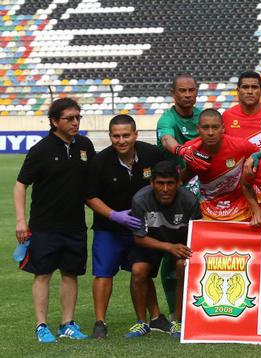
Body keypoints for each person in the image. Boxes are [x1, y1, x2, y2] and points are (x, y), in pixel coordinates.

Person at [14, 98, 95, 343]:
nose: (75, 122)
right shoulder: (41, 150)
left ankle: (67, 324)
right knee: (43, 274)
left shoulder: (85, 145)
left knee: (71, 274)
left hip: (75, 226)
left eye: (78, 117)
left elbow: (93, 183)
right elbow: (20, 185)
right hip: (44, 225)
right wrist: (21, 220)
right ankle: (41, 325)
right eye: (69, 118)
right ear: (54, 121)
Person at [85, 114, 169, 339]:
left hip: (142, 228)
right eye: (116, 136)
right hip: (109, 228)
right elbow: (90, 196)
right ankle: (100, 322)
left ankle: (156, 318)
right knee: (103, 274)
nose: (121, 141)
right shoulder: (99, 161)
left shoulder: (152, 154)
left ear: (135, 135)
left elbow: (166, 183)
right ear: (110, 137)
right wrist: (114, 215)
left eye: (126, 135)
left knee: (142, 272)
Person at [155, 73, 208, 318]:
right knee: (173, 254)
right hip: (175, 195)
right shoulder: (168, 119)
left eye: (191, 91)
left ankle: (203, 305)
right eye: (182, 91)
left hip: (208, 193)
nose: (188, 95)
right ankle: (176, 313)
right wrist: (180, 150)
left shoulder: (204, 117)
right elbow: (166, 138)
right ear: (173, 94)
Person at [128, 161, 202, 338]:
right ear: (151, 183)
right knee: (138, 270)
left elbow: (196, 234)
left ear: (178, 183)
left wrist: (178, 248)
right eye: (160, 183)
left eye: (170, 183)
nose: (165, 188)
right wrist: (168, 246)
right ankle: (141, 323)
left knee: (182, 267)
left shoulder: (189, 200)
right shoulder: (140, 199)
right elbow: (139, 237)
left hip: (180, 241)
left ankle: (177, 321)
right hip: (151, 240)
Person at [183, 109, 260, 221]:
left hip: (240, 207)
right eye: (205, 128)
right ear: (198, 129)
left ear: (223, 128)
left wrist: (254, 158)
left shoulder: (240, 145)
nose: (210, 133)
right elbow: (185, 177)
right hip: (206, 208)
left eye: (215, 127)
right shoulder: (190, 149)